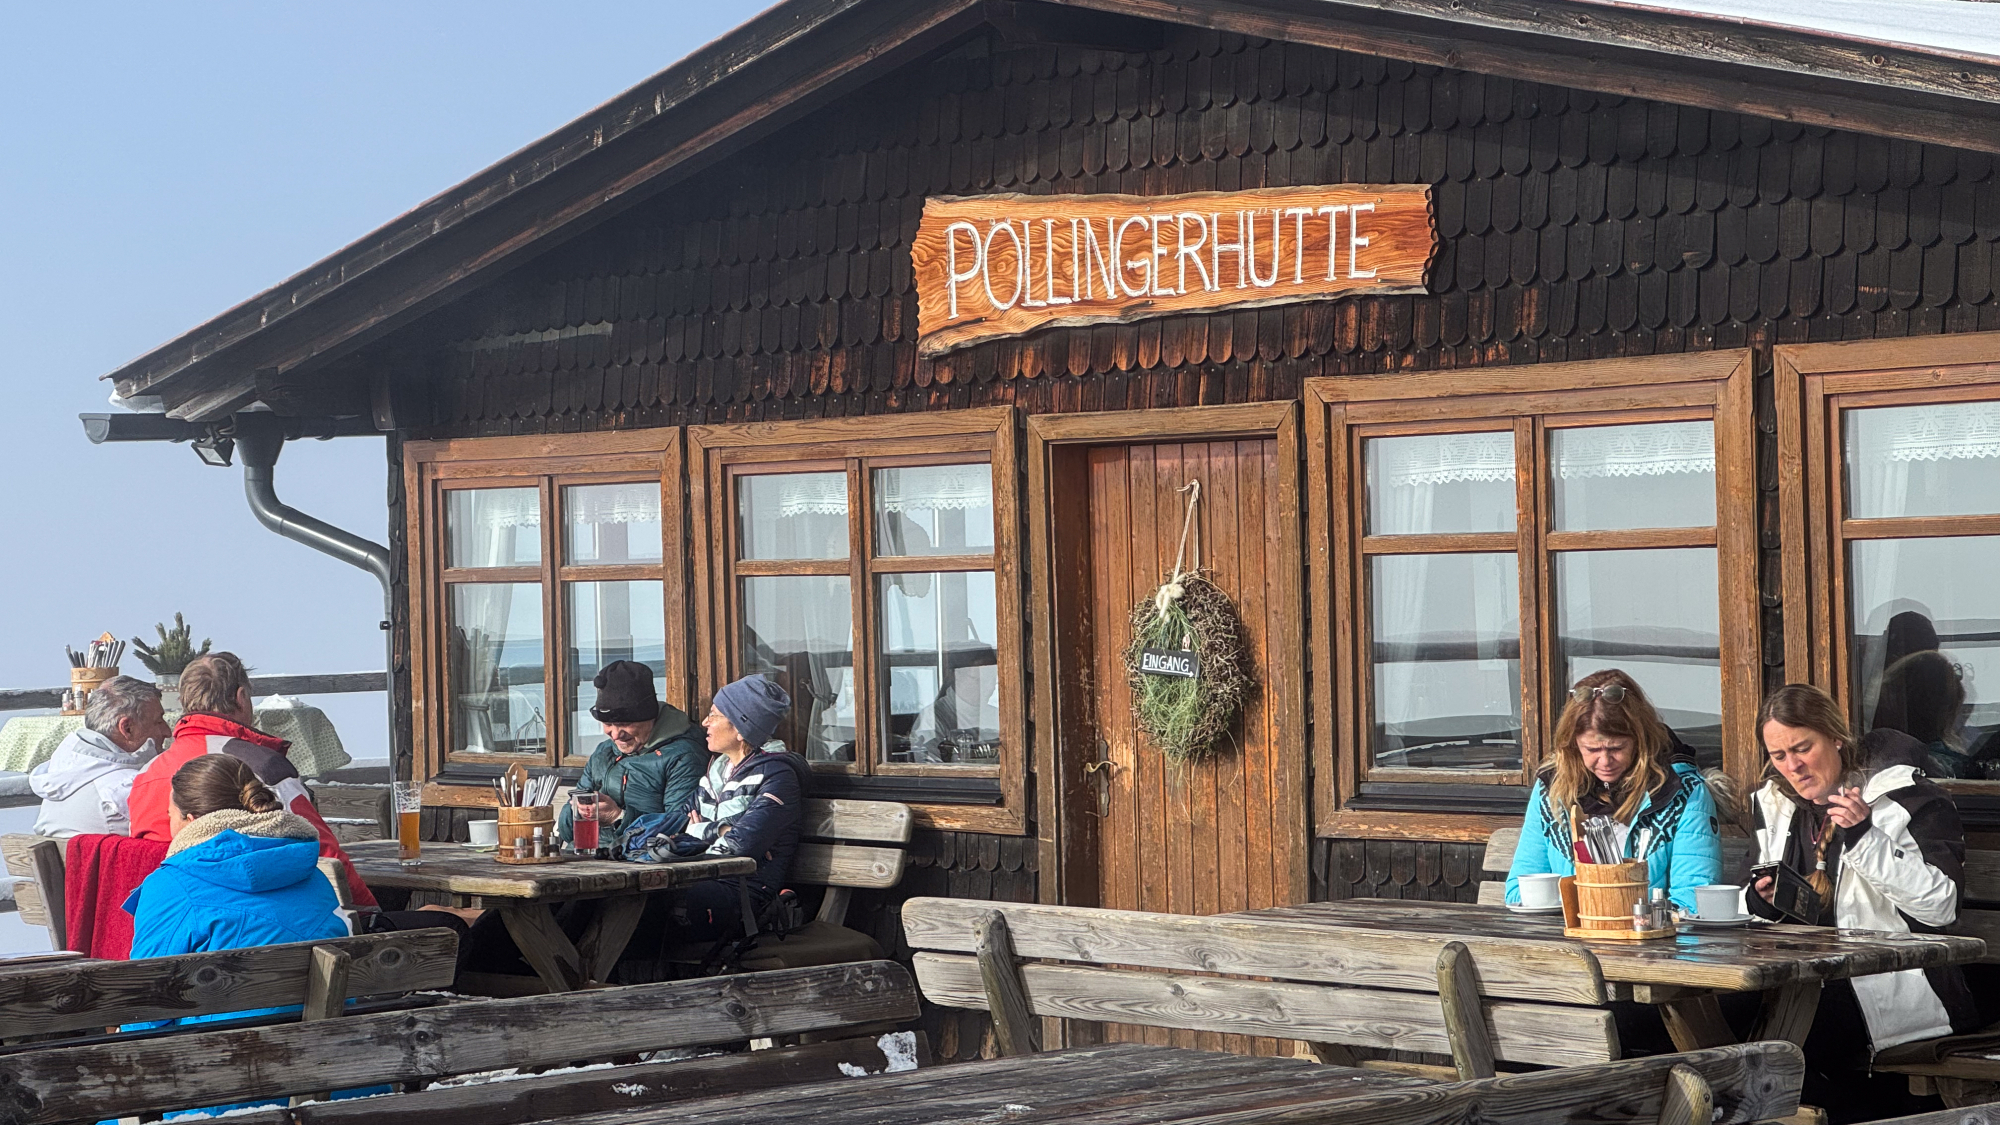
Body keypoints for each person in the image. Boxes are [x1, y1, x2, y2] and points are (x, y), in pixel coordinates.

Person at [1744, 683, 1976, 1122]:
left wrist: (1865, 837)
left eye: (1802, 748)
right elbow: (1748, 893)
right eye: (1778, 756)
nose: (1792, 766)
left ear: (1834, 737)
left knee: (1780, 1050)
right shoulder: (1775, 805)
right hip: (1801, 979)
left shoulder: (1906, 798)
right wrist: (1765, 900)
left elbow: (1941, 906)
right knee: (1719, 1026)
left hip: (1893, 987)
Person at [126, 653, 377, 908]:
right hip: (256, 921)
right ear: (241, 697)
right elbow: (324, 854)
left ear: (185, 703)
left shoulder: (145, 775)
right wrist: (371, 913)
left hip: (169, 916)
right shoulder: (261, 765)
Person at [1507, 669, 1723, 913]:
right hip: (1563, 941)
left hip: (1651, 945)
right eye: (1591, 749)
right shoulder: (1553, 790)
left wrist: (1608, 912)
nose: (1605, 761)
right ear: (1573, 746)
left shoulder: (1683, 792)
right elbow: (1518, 890)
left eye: (1617, 748)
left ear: (1641, 741)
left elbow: (1694, 901)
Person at [631, 674, 809, 943]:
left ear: (740, 729)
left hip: (744, 895)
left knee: (647, 906)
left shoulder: (778, 777)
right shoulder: (716, 770)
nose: (704, 722)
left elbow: (740, 845)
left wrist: (699, 829)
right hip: (702, 880)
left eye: (714, 715)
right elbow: (679, 819)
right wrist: (719, 829)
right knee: (610, 901)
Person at [558, 660, 707, 845]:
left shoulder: (684, 756)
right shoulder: (604, 751)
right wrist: (577, 811)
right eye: (607, 724)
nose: (615, 734)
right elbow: (565, 831)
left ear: (649, 717)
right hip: (584, 856)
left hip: (638, 862)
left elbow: (678, 827)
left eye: (624, 724)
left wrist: (618, 817)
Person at [30, 675, 172, 837]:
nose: (167, 732)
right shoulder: (125, 789)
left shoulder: (57, 772)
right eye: (158, 721)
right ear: (127, 728)